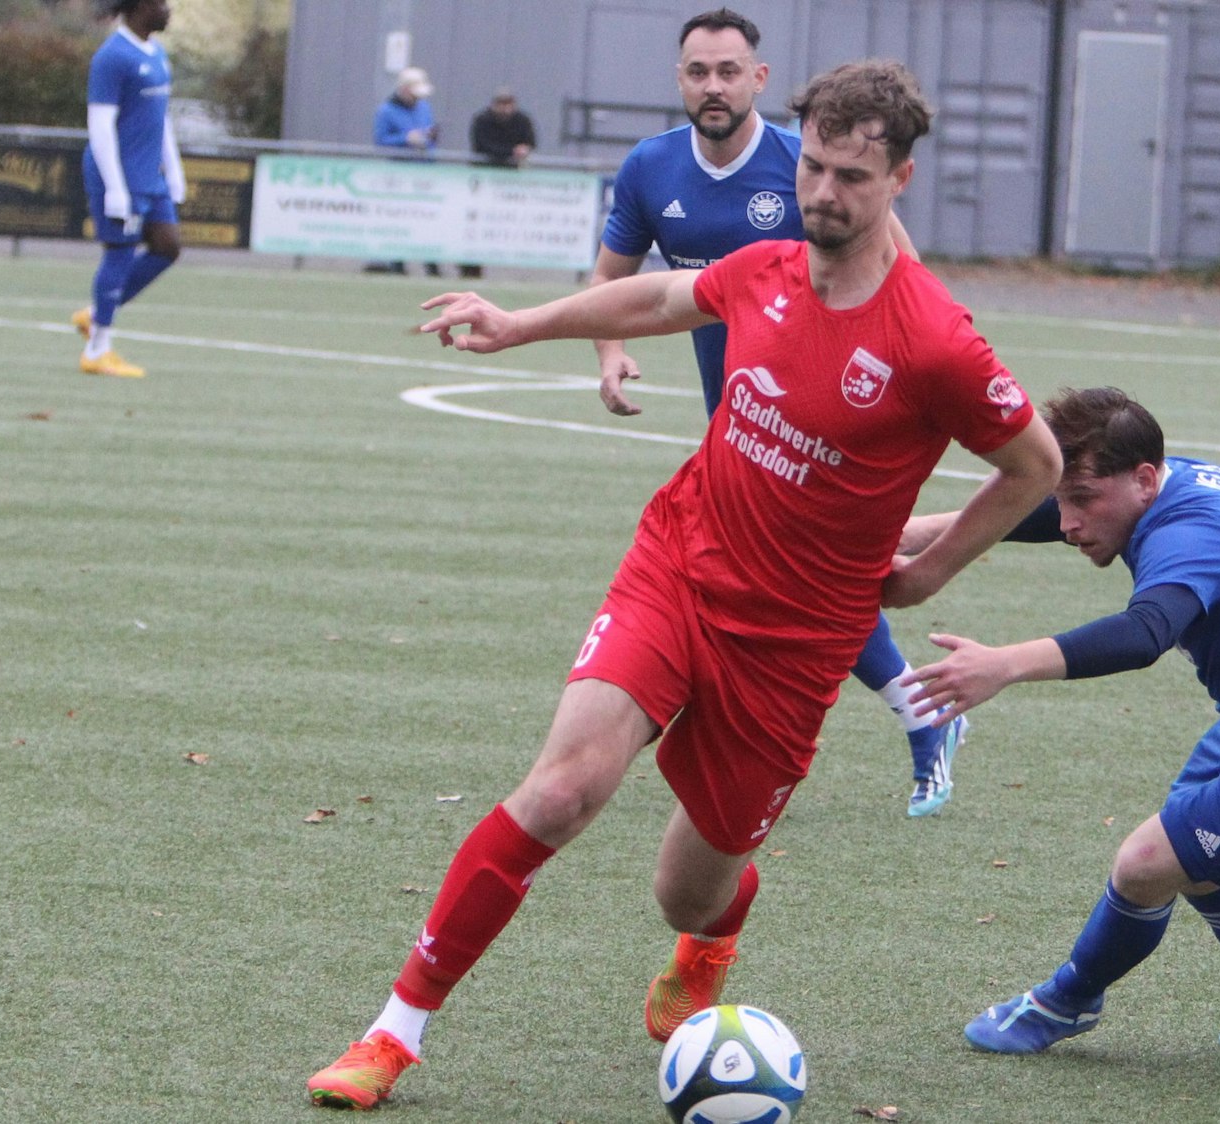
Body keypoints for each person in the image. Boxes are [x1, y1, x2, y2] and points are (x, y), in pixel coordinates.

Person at [303, 59, 1063, 1111]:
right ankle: (394, 1030)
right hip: (680, 564)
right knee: (564, 786)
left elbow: (1038, 464)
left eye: (852, 175)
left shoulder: (933, 338)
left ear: (901, 178)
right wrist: (522, 323)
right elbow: (663, 293)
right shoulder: (764, 268)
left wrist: (930, 571)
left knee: (687, 887)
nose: (825, 194)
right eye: (816, 169)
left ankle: (710, 941)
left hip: (796, 645)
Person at [892, 386, 1220, 1055]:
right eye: (1065, 497)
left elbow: (1145, 633)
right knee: (1197, 855)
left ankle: (1065, 1002)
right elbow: (1044, 508)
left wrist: (1003, 663)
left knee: (1148, 863)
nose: (1067, 522)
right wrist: (915, 534)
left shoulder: (1191, 531)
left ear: (1143, 479)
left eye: (1083, 500)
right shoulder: (1163, 480)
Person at [590, 8, 964, 818]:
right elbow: (618, 279)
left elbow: (905, 272)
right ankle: (918, 711)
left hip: (829, 413)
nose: (713, 85)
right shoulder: (651, 168)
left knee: (805, 575)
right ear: (679, 79)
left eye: (729, 71)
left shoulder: (816, 165)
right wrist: (609, 350)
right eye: (698, 71)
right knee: (775, 577)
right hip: (737, 413)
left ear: (757, 80)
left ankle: (920, 711)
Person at [69, 0, 182, 379]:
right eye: (161, 3)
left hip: (151, 176)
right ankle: (97, 350)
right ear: (139, 7)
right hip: (120, 177)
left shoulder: (158, 53)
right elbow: (100, 127)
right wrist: (115, 188)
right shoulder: (112, 57)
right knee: (119, 254)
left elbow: (160, 118)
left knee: (168, 247)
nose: (169, 9)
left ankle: (96, 314)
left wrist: (175, 169)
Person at [368, 67, 441, 277]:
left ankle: (431, 264)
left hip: (424, 172)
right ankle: (397, 263)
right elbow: (381, 141)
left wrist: (428, 139)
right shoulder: (386, 111)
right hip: (399, 174)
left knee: (428, 219)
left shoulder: (424, 107)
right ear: (404, 89)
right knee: (398, 219)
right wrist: (406, 139)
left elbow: (429, 135)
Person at [458, 88, 537, 279]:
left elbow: (531, 141)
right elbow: (483, 146)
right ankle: (470, 266)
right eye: (502, 104)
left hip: (510, 181)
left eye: (509, 104)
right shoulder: (482, 120)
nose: (505, 109)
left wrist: (523, 150)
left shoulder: (522, 120)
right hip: (483, 181)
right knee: (475, 223)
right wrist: (512, 152)